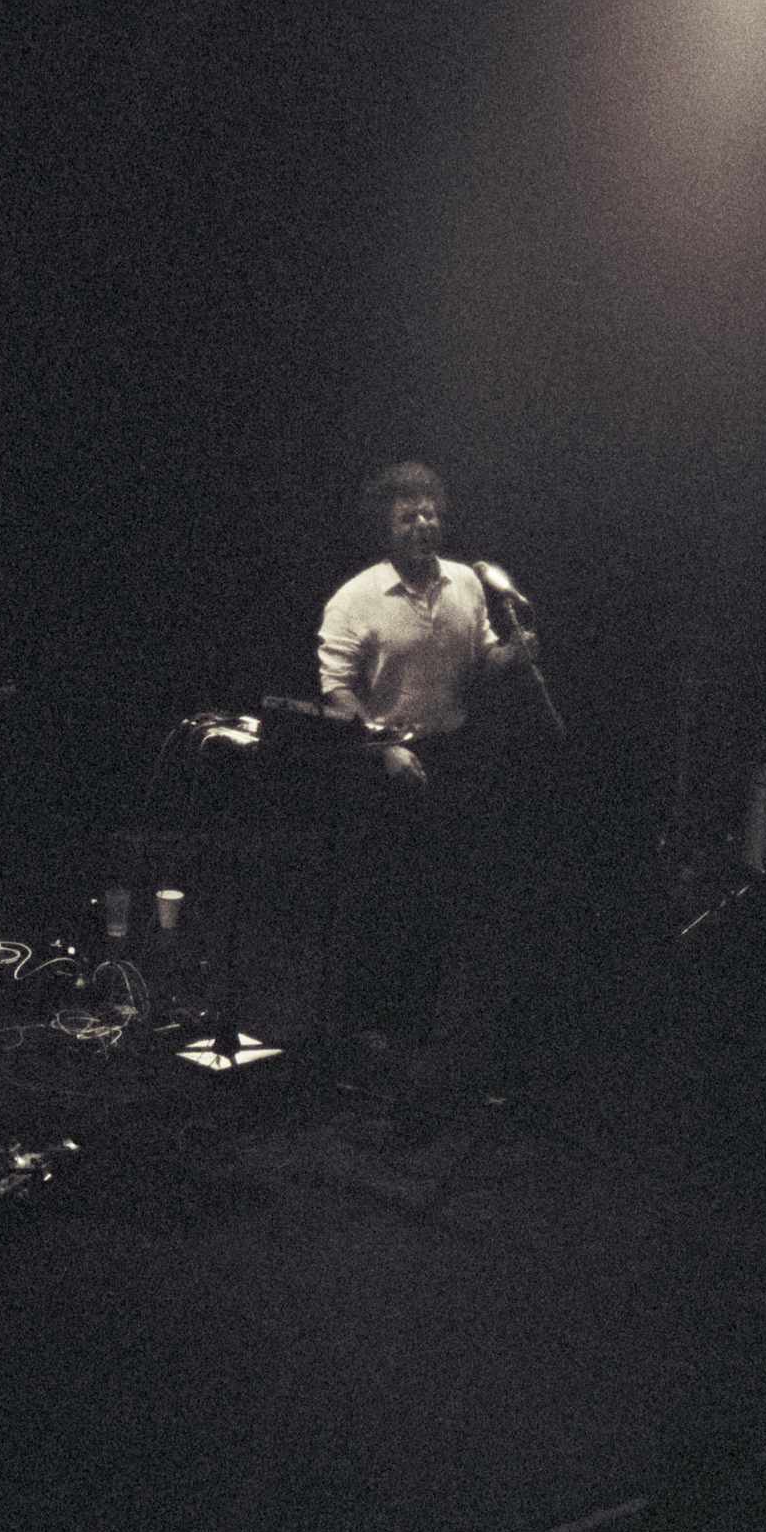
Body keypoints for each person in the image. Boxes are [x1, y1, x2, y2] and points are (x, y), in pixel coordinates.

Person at [316, 462, 541, 1087]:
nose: (423, 524)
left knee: (438, 899)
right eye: (407, 516)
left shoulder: (466, 582)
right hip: (382, 761)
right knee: (379, 899)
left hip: (453, 757)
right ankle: (360, 1028)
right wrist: (383, 746)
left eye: (430, 513)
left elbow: (480, 660)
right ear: (385, 528)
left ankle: (416, 1024)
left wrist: (513, 655)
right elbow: (336, 691)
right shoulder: (356, 598)